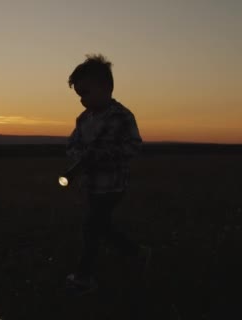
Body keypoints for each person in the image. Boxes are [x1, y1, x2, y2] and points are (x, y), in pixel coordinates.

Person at [64, 54, 151, 296]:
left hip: (112, 186)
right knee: (102, 227)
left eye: (86, 93)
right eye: (79, 95)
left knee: (91, 229)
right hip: (91, 185)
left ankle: (83, 278)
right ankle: (137, 253)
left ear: (107, 87)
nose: (82, 100)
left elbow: (134, 146)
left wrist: (106, 156)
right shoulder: (83, 120)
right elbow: (72, 145)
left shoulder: (122, 116)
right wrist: (80, 157)